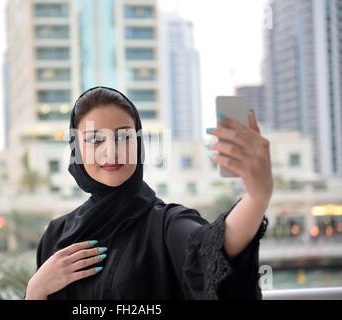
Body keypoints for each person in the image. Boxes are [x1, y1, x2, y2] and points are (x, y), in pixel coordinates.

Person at [24, 86, 272, 300]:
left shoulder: (165, 225)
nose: (111, 152)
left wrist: (257, 196)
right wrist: (36, 290)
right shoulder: (56, 235)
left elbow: (212, 248)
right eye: (94, 140)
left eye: (123, 137)